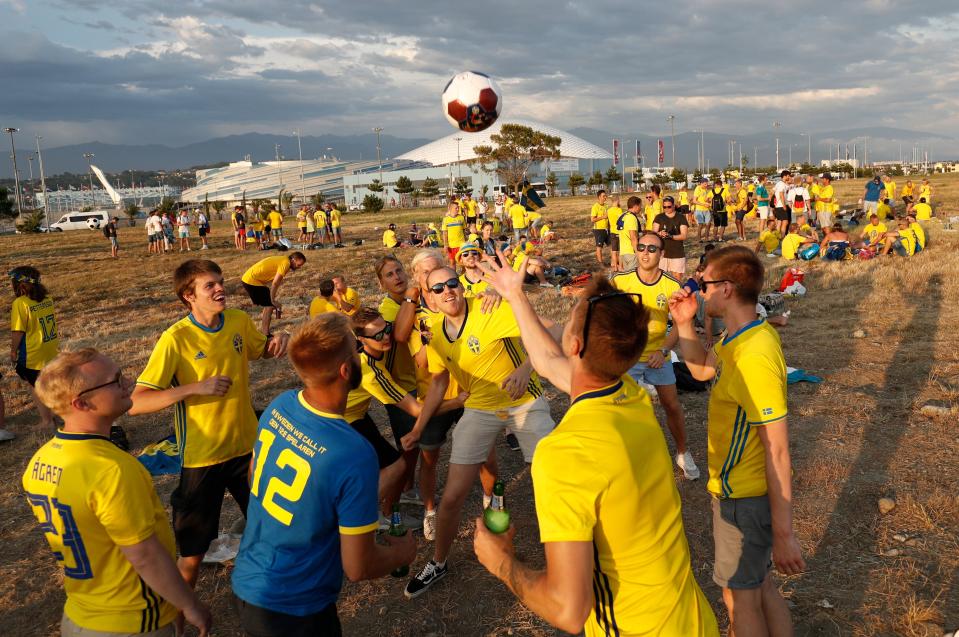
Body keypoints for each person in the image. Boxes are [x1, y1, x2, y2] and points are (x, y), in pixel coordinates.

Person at [473, 263, 719, 636]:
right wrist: (515, 296)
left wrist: (501, 563)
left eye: (572, 317)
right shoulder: (631, 395)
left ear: (574, 344)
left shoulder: (564, 453)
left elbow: (568, 610)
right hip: (689, 618)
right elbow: (546, 361)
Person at [231, 314, 415, 636]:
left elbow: (253, 479)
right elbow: (358, 567)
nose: (360, 353)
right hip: (296, 609)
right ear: (346, 370)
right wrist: (403, 552)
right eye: (355, 349)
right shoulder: (353, 452)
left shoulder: (279, 405)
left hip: (248, 583)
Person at [24, 349, 213, 637]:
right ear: (82, 403)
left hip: (78, 615)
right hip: (131, 620)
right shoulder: (112, 469)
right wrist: (189, 604)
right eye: (116, 381)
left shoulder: (39, 462)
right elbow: (145, 555)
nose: (129, 384)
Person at [131, 259, 290, 595]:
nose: (221, 289)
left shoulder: (236, 320)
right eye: (210, 285)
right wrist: (193, 388)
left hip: (248, 450)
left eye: (220, 282)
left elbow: (260, 351)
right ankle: (178, 621)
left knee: (272, 531)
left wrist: (280, 338)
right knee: (192, 553)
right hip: (203, 460)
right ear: (189, 296)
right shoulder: (175, 339)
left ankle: (270, 595)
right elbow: (137, 401)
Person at [669, 245, 805, 635]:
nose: (698, 291)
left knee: (738, 598)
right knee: (758, 585)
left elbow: (777, 448)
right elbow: (700, 371)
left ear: (727, 288)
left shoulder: (755, 354)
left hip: (745, 497)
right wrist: (683, 324)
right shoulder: (738, 336)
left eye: (704, 283)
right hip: (740, 494)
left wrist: (784, 535)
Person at [401, 266, 555, 599]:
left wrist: (525, 368)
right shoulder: (437, 334)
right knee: (454, 494)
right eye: (438, 288)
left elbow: (551, 332)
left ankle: (576, 558)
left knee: (553, 481)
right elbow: (440, 380)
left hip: (525, 400)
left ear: (460, 284)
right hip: (481, 408)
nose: (447, 292)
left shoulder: (490, 306)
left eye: (452, 283)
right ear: (428, 297)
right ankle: (438, 562)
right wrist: (418, 427)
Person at [610, 233, 700, 480]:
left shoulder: (671, 285)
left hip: (657, 356)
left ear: (661, 254)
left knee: (671, 405)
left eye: (652, 248)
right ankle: (623, 459)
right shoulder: (620, 280)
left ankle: (683, 453)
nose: (646, 252)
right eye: (641, 247)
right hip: (627, 358)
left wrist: (663, 351)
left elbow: (680, 325)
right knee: (620, 411)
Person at [10, 266, 59, 430]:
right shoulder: (48, 298)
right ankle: (54, 412)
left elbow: (18, 331)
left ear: (21, 285)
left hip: (33, 352)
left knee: (36, 386)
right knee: (50, 382)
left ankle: (47, 421)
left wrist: (13, 351)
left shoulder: (20, 303)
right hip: (50, 348)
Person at [241, 252, 308, 335]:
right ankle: (266, 334)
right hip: (251, 280)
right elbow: (275, 283)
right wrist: (272, 300)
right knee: (269, 306)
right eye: (298, 265)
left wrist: (271, 299)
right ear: (293, 260)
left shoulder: (284, 260)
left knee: (267, 304)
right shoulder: (286, 263)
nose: (299, 267)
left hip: (250, 279)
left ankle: (253, 315)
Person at [653, 194, 689, 279]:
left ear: (674, 205)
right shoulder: (659, 217)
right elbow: (653, 233)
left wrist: (671, 236)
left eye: (669, 207)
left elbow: (684, 236)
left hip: (677, 253)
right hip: (661, 253)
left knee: (677, 279)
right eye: (664, 207)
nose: (666, 209)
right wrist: (659, 234)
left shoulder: (681, 218)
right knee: (660, 278)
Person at [617, 196, 641, 271]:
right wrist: (638, 253)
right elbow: (633, 237)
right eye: (640, 206)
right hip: (631, 253)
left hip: (624, 252)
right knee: (633, 277)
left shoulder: (623, 216)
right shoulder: (631, 218)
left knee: (628, 277)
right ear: (636, 206)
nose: (640, 208)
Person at [590, 189, 610, 267]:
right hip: (598, 230)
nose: (605, 197)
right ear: (599, 197)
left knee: (611, 245)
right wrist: (602, 217)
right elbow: (592, 219)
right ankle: (600, 263)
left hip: (606, 229)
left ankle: (614, 261)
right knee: (599, 247)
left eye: (606, 196)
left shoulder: (606, 206)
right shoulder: (595, 207)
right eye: (603, 196)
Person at [772, 170, 793, 237]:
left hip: (778, 206)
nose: (789, 177)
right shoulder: (781, 184)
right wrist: (784, 205)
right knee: (785, 222)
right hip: (781, 206)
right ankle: (782, 237)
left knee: (779, 222)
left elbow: (772, 191)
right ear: (785, 176)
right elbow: (781, 195)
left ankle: (777, 237)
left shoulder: (779, 183)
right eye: (788, 176)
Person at [606, 195, 623, 271]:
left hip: (612, 232)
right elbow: (621, 221)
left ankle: (615, 267)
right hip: (619, 232)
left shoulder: (608, 210)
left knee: (614, 250)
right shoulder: (619, 210)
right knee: (620, 251)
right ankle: (620, 266)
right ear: (617, 200)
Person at [693, 177, 712, 242]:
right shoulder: (698, 189)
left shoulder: (706, 190)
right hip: (699, 210)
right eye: (705, 184)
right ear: (701, 183)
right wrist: (704, 204)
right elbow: (694, 201)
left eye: (707, 184)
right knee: (701, 224)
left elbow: (706, 199)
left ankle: (706, 238)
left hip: (707, 209)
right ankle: (699, 239)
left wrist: (710, 201)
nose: (706, 185)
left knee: (708, 224)